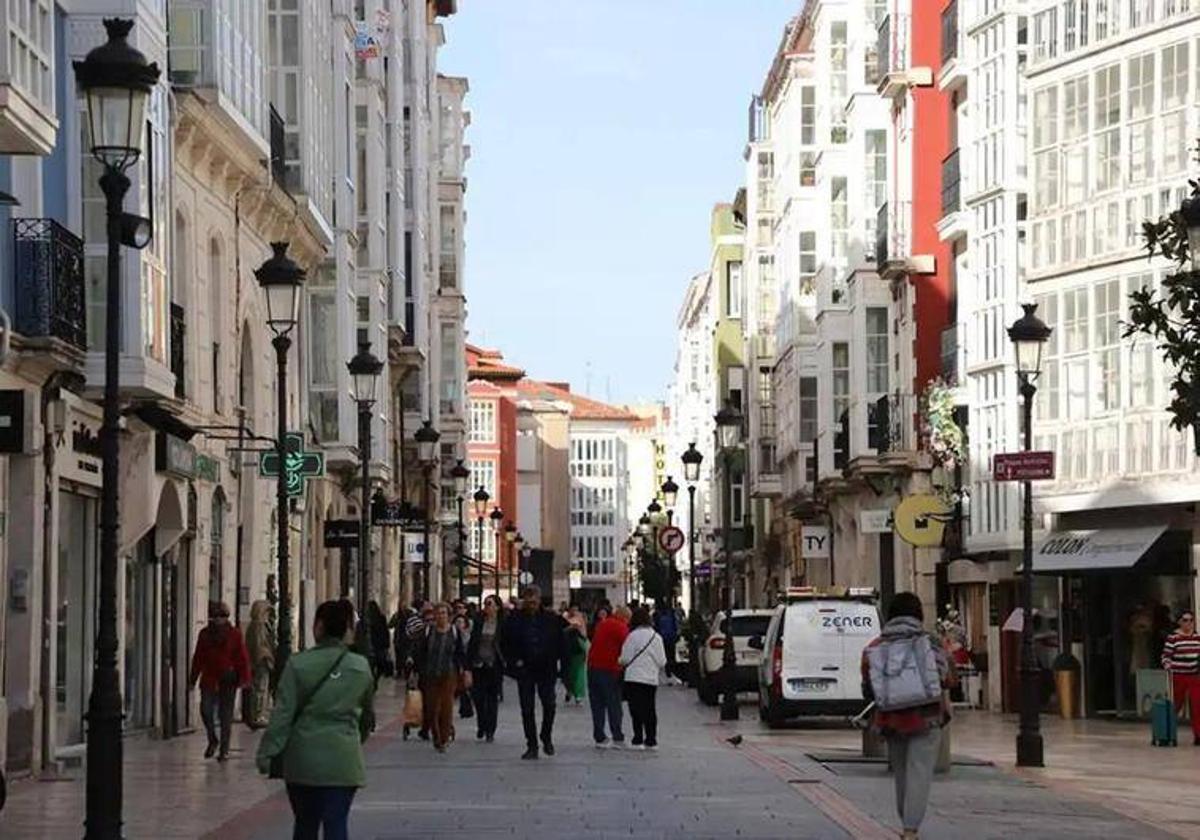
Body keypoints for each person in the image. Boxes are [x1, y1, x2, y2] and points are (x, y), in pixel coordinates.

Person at [257, 599, 374, 840]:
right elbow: (367, 717)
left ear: (318, 627)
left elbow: (282, 715)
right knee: (336, 824)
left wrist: (267, 753)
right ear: (346, 630)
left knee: (305, 824)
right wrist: (354, 739)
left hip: (303, 760)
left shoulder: (298, 664)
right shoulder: (360, 666)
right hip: (344, 760)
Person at [862, 592, 953, 840]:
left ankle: (906, 823)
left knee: (901, 773)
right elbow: (946, 677)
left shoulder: (875, 646)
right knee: (920, 772)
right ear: (918, 614)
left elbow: (868, 687)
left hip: (892, 719)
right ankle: (910, 830)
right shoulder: (931, 642)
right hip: (927, 716)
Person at [502, 585, 566, 759]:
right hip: (525, 669)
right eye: (528, 600)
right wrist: (514, 663)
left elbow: (563, 639)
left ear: (539, 600)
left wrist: (559, 661)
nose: (531, 603)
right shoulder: (514, 619)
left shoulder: (551, 618)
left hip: (547, 668)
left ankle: (546, 735)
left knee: (550, 705)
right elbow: (505, 642)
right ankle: (532, 744)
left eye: (534, 600)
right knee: (527, 708)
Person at [189, 600, 250, 761]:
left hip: (228, 679)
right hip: (209, 678)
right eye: (214, 616)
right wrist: (192, 679)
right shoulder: (204, 634)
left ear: (226, 617)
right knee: (205, 710)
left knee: (225, 716)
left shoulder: (234, 634)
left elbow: (242, 657)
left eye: (221, 616)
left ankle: (224, 750)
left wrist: (244, 678)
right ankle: (212, 739)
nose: (217, 619)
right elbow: (198, 658)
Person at [414, 603, 470, 753]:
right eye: (438, 613)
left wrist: (464, 670)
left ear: (449, 616)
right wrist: (416, 670)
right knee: (432, 708)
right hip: (430, 674)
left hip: (449, 674)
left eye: (444, 613)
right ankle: (436, 735)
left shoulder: (454, 631)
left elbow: (460, 653)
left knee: (446, 707)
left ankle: (443, 739)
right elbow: (420, 652)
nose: (441, 616)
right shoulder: (428, 631)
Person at [620, 606, 667, 749]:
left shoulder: (632, 636)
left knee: (635, 709)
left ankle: (638, 738)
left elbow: (625, 659)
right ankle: (651, 740)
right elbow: (662, 661)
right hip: (650, 679)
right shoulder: (656, 637)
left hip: (633, 678)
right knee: (650, 708)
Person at [588, 605, 630, 748]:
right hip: (610, 669)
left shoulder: (603, 624)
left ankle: (599, 737)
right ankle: (617, 737)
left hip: (593, 667)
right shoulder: (621, 627)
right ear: (625, 618)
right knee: (614, 704)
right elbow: (627, 648)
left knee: (597, 704)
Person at [468, 595, 506, 742]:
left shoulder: (502, 624)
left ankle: (490, 730)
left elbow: (506, 644)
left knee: (491, 699)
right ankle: (481, 724)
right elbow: (472, 643)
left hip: (494, 665)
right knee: (478, 697)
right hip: (478, 664)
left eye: (489, 604)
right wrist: (467, 666)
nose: (486, 607)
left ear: (497, 606)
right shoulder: (479, 622)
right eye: (485, 604)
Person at [1162, 610, 1200, 745]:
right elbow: (1166, 656)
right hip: (1178, 675)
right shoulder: (1173, 638)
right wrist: (1169, 666)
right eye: (1185, 620)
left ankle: (1198, 735)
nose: (1188, 623)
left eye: (1191, 620)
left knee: (1197, 705)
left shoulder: (1197, 638)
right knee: (1176, 705)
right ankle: (1167, 733)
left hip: (1194, 676)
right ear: (1180, 622)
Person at [244, 599, 276, 729]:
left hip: (260, 660)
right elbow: (259, 645)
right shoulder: (258, 626)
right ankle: (257, 714)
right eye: (266, 612)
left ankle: (259, 713)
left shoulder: (258, 625)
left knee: (261, 687)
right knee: (260, 687)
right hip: (261, 661)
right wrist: (267, 657)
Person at [563, 607, 589, 705]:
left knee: (578, 673)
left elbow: (584, 635)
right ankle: (569, 691)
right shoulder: (564, 619)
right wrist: (570, 628)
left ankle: (577, 695)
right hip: (567, 650)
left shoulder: (581, 619)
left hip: (578, 650)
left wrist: (579, 628)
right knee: (568, 673)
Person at [365, 601, 392, 685]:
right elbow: (386, 632)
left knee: (373, 665)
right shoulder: (381, 618)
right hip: (380, 645)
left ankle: (372, 680)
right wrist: (387, 645)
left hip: (373, 645)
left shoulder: (367, 620)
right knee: (380, 665)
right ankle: (375, 679)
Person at [653, 602, 680, 679]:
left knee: (665, 655)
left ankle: (668, 671)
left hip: (663, 638)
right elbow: (676, 626)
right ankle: (673, 671)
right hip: (671, 638)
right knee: (672, 655)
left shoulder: (658, 615)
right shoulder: (671, 615)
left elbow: (656, 627)